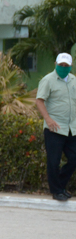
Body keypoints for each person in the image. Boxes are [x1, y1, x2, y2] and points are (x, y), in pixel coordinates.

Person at [35, 52, 76, 201]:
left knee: (74, 158)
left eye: (66, 66)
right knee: (53, 161)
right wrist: (48, 119)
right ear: (56, 64)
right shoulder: (48, 80)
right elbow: (39, 101)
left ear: (70, 66)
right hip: (54, 128)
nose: (63, 67)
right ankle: (57, 190)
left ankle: (60, 185)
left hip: (72, 128)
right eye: (61, 65)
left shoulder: (74, 80)